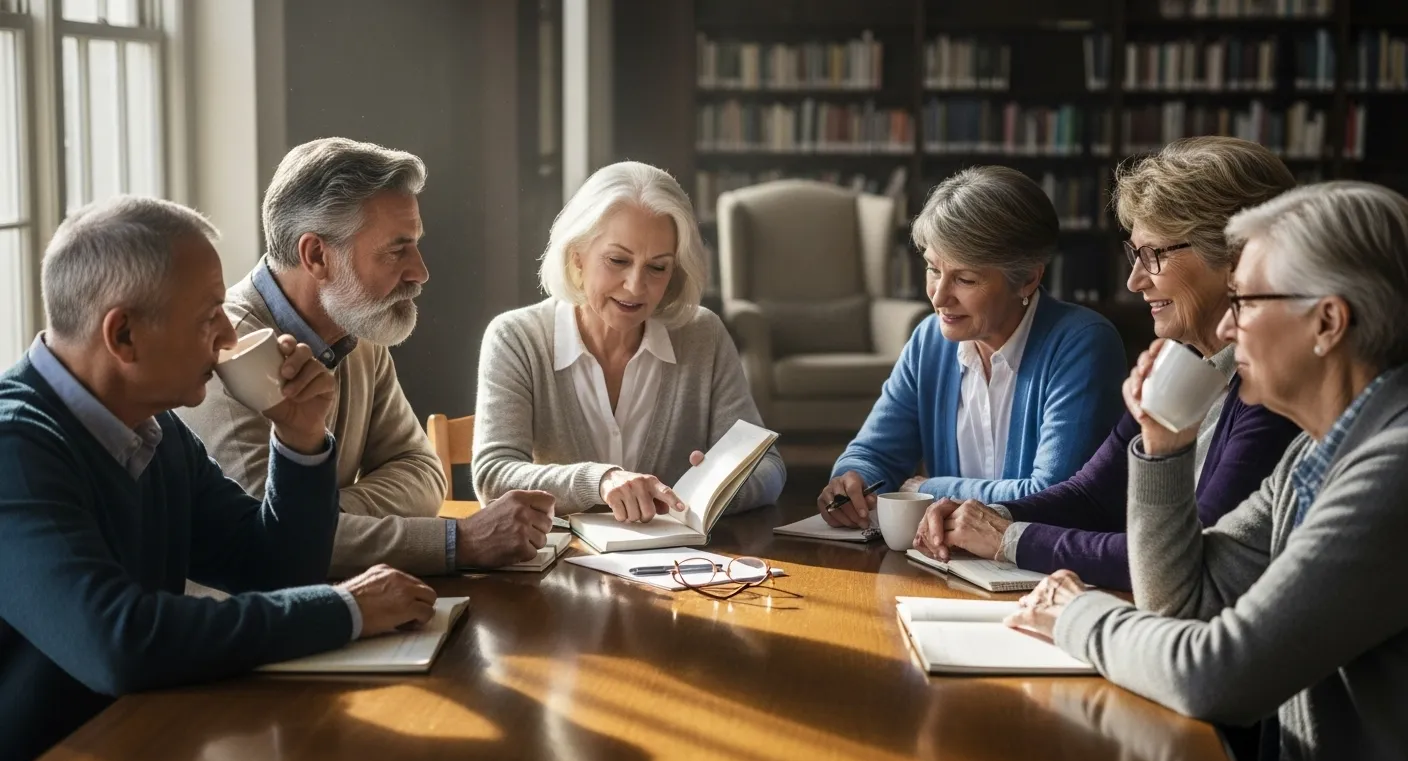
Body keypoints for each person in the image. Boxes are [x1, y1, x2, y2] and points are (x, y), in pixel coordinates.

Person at [0, 196, 435, 761]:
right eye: (209, 314)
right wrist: (344, 608)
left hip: (146, 736)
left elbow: (273, 570)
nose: (229, 332)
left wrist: (300, 440)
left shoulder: (155, 430)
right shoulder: (15, 448)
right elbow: (119, 641)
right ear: (124, 335)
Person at [1007, 181, 1408, 761]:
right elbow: (1181, 604)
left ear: (1327, 323)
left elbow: (1216, 675)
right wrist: (1164, 447)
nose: (1225, 329)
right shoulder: (1314, 456)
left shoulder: (1392, 472)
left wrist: (1074, 614)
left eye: (1244, 303)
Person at [913, 137, 1301, 591]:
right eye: (1134, 254)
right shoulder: (1182, 362)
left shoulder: (1274, 393)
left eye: (1153, 255)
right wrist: (985, 515)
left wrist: (1009, 537)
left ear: (1234, 256)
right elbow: (1091, 495)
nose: (1135, 280)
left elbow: (1187, 558)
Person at [180, 138, 553, 576]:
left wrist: (322, 512)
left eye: (414, 245)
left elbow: (422, 473)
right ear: (317, 255)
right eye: (397, 250)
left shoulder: (356, 319)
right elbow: (272, 545)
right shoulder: (227, 350)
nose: (420, 272)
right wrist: (460, 541)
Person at [474, 161, 785, 521]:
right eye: (618, 260)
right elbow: (493, 478)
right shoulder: (516, 338)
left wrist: (706, 489)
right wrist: (601, 481)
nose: (636, 286)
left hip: (679, 570)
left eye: (657, 267)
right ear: (577, 256)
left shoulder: (703, 335)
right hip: (562, 568)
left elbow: (769, 467)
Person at [820, 166, 1126, 527]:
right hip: (952, 559)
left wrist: (930, 489)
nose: (939, 296)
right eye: (933, 269)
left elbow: (1053, 493)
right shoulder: (929, 340)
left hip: (1047, 569)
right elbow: (875, 453)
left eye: (965, 279)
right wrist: (851, 479)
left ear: (1027, 278)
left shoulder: (1083, 343)